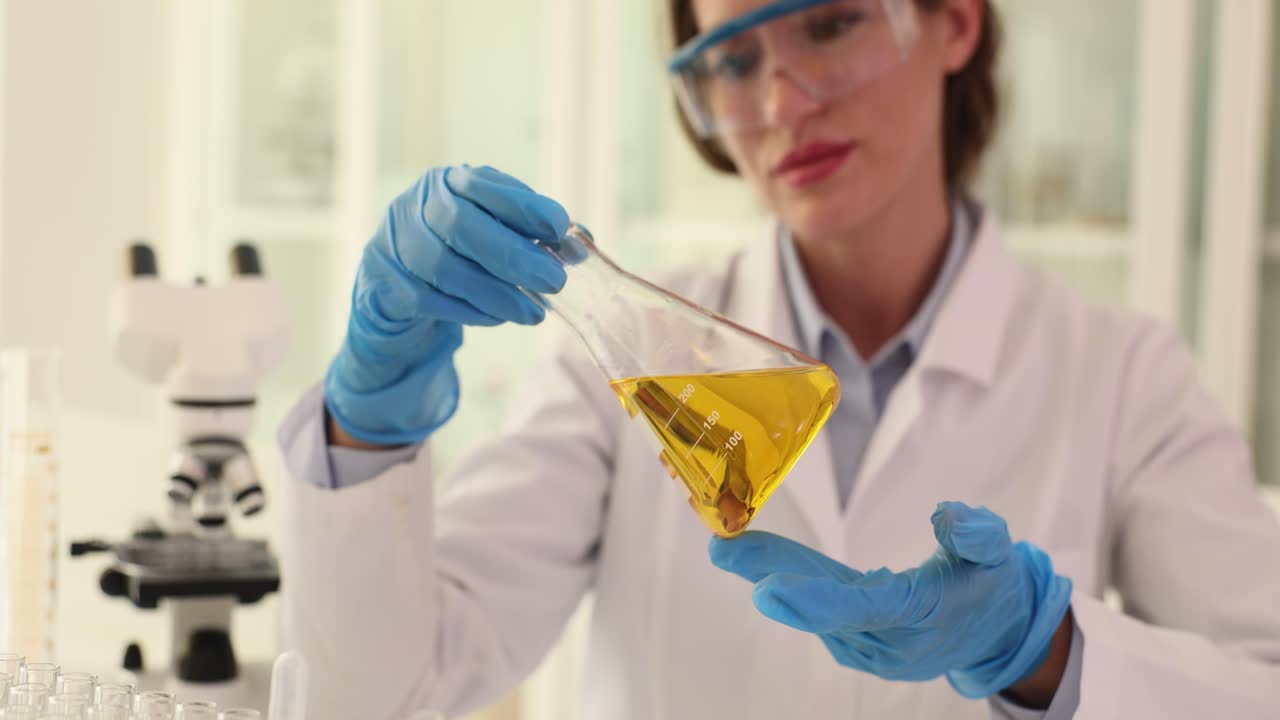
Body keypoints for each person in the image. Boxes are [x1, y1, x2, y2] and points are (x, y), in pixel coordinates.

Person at [276, 0, 1280, 718]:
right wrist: (369, 417)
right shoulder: (607, 374)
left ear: (956, 23)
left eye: (829, 24)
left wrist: (1041, 654)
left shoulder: (1120, 375)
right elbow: (379, 697)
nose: (780, 103)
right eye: (730, 60)